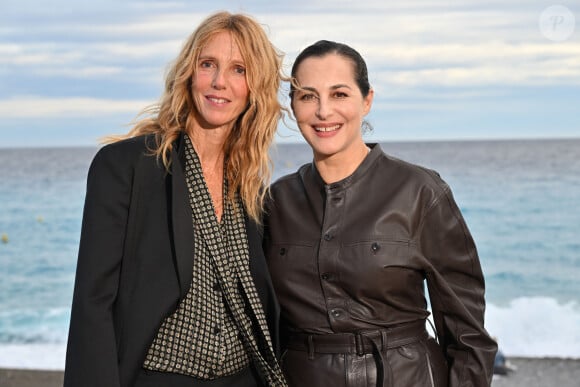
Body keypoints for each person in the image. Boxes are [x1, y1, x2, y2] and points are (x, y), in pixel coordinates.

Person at [64, 12, 288, 387]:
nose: (219, 82)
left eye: (238, 70)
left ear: (255, 88)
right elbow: (93, 303)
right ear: (189, 72)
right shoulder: (125, 167)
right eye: (208, 64)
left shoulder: (251, 189)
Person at [263, 40, 498, 386]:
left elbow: (467, 333)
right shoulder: (276, 201)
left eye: (339, 94)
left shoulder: (420, 192)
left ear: (367, 100)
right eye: (308, 96)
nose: (323, 111)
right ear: (294, 105)